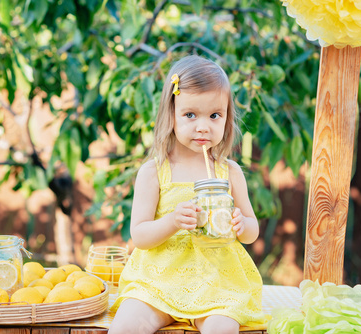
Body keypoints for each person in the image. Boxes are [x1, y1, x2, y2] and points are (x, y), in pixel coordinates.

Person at [108, 55, 265, 334]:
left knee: (221, 329)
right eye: (190, 115)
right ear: (172, 114)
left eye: (214, 115)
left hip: (217, 283)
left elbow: (252, 231)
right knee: (125, 328)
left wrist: (242, 224)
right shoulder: (154, 172)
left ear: (227, 118)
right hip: (159, 283)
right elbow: (140, 236)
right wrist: (173, 221)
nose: (203, 126)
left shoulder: (229, 172)